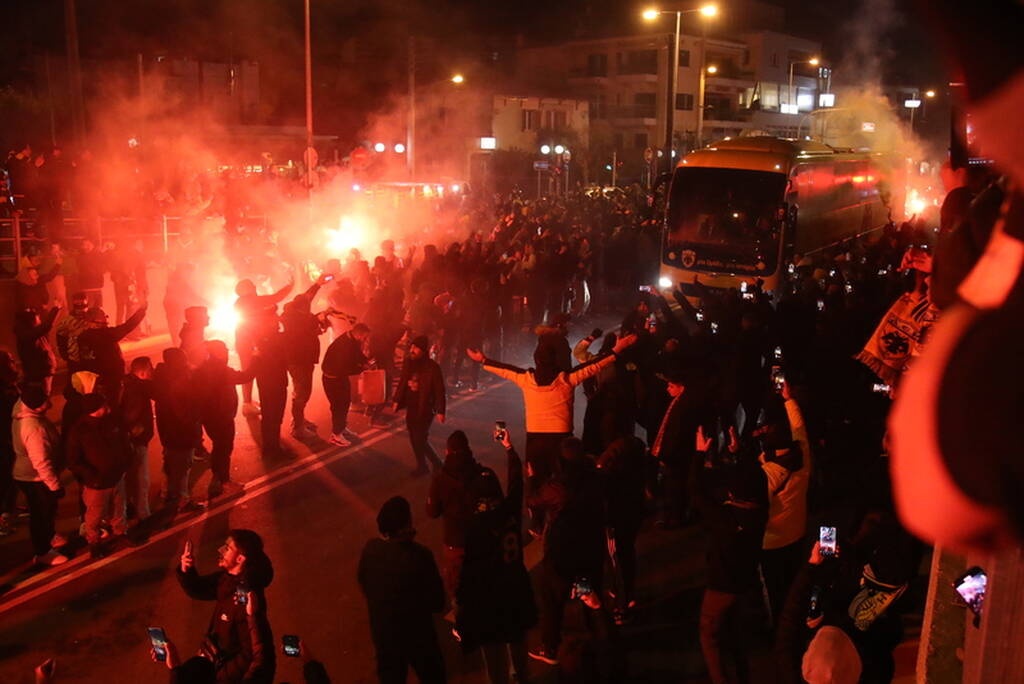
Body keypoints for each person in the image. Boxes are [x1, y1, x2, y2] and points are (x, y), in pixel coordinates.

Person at [466, 332, 637, 532]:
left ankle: (537, 523)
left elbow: (505, 370)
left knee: (535, 480)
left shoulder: (526, 379)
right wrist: (617, 349)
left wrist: (483, 360)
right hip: (561, 439)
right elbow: (594, 366)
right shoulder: (566, 379)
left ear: (536, 360)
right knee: (563, 482)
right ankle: (563, 521)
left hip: (535, 440)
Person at [455, 428, 537, 684]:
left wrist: (462, 614)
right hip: (516, 588)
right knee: (518, 641)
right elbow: (516, 483)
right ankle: (522, 678)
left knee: (493, 653)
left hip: (490, 600)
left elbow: (468, 576)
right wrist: (510, 450)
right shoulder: (509, 510)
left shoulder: (475, 528)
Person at [695, 426, 769, 684]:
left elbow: (696, 491)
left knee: (709, 634)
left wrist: (699, 454)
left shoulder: (725, 518)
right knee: (736, 633)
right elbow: (753, 476)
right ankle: (741, 673)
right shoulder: (760, 510)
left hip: (721, 585)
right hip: (744, 580)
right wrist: (739, 452)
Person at [526, 437, 608, 666]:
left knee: (552, 600)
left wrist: (532, 478)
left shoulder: (557, 487)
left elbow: (533, 500)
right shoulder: (595, 478)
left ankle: (550, 647)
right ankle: (598, 641)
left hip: (563, 554)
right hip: (589, 550)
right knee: (589, 595)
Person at [358, 496, 447, 684]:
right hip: (417, 635)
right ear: (407, 524)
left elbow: (364, 583)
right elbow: (437, 602)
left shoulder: (370, 550)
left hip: (384, 635)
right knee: (433, 675)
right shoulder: (420, 556)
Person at [177, 529, 276, 684]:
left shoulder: (246, 599)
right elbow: (199, 588)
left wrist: (220, 676)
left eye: (228, 549)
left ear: (240, 559)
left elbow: (250, 653)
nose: (221, 551)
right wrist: (186, 570)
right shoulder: (226, 579)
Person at [425, 430, 494, 596]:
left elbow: (432, 512)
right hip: (482, 539)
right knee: (483, 584)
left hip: (455, 543)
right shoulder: (484, 474)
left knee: (457, 588)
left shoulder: (440, 480)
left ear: (447, 452)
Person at [66, 393, 131, 557]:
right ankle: (94, 543)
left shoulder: (111, 422)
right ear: (96, 408)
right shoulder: (80, 430)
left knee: (119, 509)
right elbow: (73, 460)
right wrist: (91, 476)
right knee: (94, 516)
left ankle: (120, 533)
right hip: (97, 484)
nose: (107, 406)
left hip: (116, 477)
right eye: (103, 404)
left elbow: (123, 442)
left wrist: (125, 462)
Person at [11, 385, 67, 566]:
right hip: (36, 478)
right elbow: (41, 461)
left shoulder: (25, 413)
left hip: (31, 475)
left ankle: (49, 537)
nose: (49, 403)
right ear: (35, 406)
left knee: (45, 512)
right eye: (44, 402)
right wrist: (54, 485)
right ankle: (43, 551)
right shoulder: (33, 428)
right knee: (41, 514)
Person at [194, 340, 256, 499]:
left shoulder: (202, 369)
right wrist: (256, 359)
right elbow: (245, 376)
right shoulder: (221, 370)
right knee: (224, 448)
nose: (227, 352)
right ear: (218, 353)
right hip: (222, 416)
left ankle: (218, 479)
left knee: (219, 446)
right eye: (224, 350)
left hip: (209, 417)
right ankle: (223, 481)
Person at [153, 348, 203, 516]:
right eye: (183, 359)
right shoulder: (177, 382)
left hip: (168, 431)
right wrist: (196, 418)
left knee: (170, 463)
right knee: (182, 468)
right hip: (180, 433)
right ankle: (182, 501)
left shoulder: (162, 378)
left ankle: (166, 492)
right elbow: (184, 413)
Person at [234, 277, 294, 415]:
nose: (254, 287)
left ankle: (248, 402)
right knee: (250, 371)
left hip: (246, 341)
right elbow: (276, 297)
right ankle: (248, 404)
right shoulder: (250, 301)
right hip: (250, 342)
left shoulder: (243, 302)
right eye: (251, 286)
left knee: (248, 370)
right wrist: (290, 285)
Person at [280, 278, 331, 439]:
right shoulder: (295, 320)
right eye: (307, 307)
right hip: (299, 360)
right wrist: (319, 321)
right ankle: (297, 427)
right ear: (301, 308)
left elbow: (308, 297)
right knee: (302, 392)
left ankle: (299, 420)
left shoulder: (297, 312)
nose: (309, 307)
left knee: (302, 391)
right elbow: (304, 332)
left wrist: (318, 284)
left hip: (304, 358)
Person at [394, 335, 446, 476]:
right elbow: (403, 381)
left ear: (423, 351)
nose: (412, 350)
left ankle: (436, 463)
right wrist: (396, 400)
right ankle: (423, 465)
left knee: (419, 438)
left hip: (426, 407)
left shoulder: (432, 367)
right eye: (412, 347)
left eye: (416, 348)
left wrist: (441, 410)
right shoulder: (409, 363)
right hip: (412, 406)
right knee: (414, 437)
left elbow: (440, 390)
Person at [77, 303, 148, 405]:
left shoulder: (82, 337)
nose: (106, 319)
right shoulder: (105, 334)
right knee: (115, 404)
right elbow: (127, 326)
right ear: (95, 321)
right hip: (112, 378)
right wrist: (141, 310)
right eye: (103, 316)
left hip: (95, 381)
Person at [320, 323, 370, 447]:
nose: (365, 340)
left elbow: (356, 354)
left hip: (340, 378)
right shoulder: (344, 345)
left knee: (346, 403)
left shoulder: (352, 339)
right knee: (339, 406)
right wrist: (360, 368)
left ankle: (341, 428)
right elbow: (344, 368)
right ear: (359, 334)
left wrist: (365, 361)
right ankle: (336, 435)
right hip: (332, 379)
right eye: (364, 337)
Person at [121, 356, 155, 523]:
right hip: (137, 440)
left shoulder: (126, 383)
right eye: (150, 369)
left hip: (128, 440)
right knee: (141, 479)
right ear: (142, 372)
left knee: (129, 477)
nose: (152, 372)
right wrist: (135, 429)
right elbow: (131, 415)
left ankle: (128, 507)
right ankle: (144, 514)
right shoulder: (137, 390)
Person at [14, 306, 61, 394]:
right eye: (37, 317)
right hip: (39, 374)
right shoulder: (27, 335)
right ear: (31, 321)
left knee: (44, 395)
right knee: (42, 396)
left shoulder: (32, 333)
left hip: (43, 372)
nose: (40, 319)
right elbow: (46, 326)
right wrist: (56, 308)